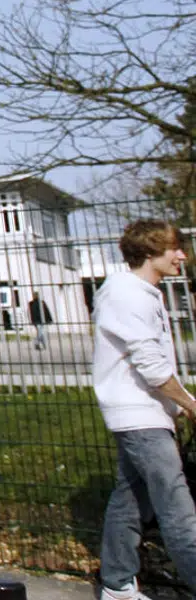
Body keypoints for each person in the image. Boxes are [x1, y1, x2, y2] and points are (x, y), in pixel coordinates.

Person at [95, 220, 196, 600]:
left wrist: (178, 405)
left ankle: (118, 585)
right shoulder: (128, 296)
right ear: (151, 252)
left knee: (130, 501)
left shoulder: (142, 293)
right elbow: (151, 366)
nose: (182, 256)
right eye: (174, 249)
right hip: (140, 419)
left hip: (146, 414)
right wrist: (189, 403)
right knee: (177, 509)